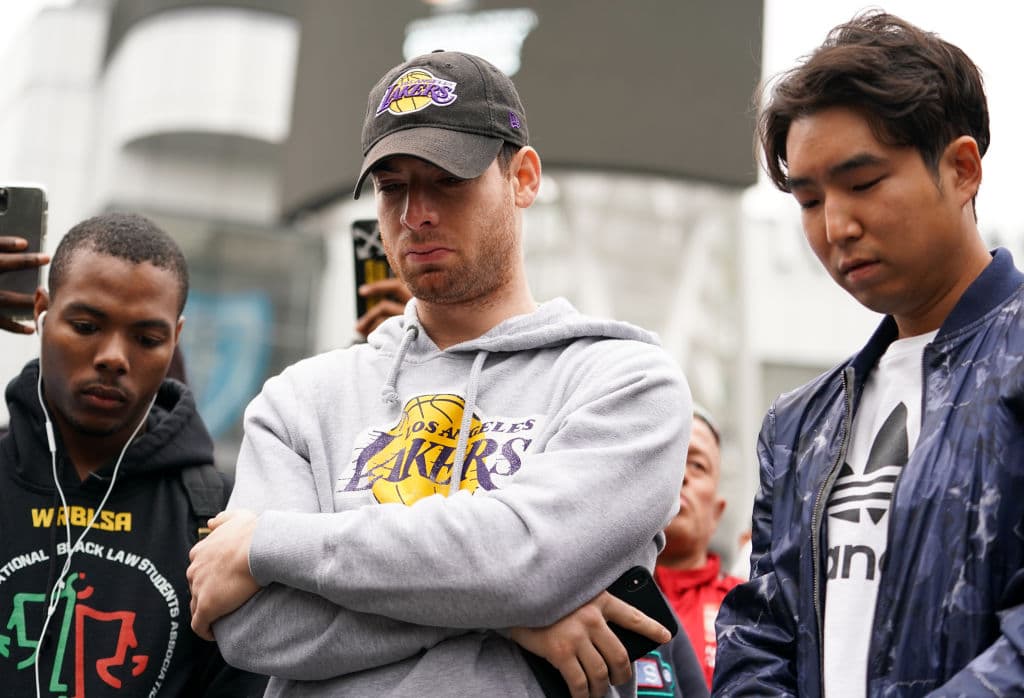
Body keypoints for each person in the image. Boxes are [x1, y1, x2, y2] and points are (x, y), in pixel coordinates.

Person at [187, 50, 694, 697]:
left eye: (447, 180)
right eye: (393, 186)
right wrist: (510, 622)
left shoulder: (624, 381)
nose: (415, 213)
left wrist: (271, 542)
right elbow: (257, 628)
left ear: (525, 178)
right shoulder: (299, 402)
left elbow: (520, 561)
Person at [714, 11, 1024, 697]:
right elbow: (759, 633)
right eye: (809, 198)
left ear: (962, 168)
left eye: (863, 183)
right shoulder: (798, 426)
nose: (835, 226)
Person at [0, 214, 267, 695]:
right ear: (42, 311)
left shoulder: (220, 516)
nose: (114, 357)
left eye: (147, 339)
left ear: (176, 340)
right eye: (85, 325)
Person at [653, 407, 741, 688]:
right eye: (668, 458)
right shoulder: (591, 591)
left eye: (697, 465)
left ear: (717, 511)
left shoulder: (745, 608)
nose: (681, 475)